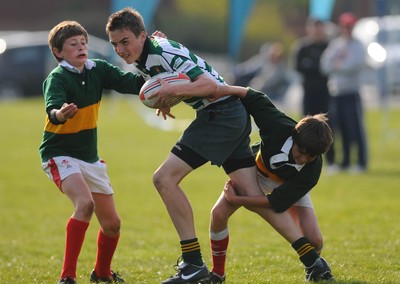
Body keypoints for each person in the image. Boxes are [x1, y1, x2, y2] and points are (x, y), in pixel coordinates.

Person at [105, 8, 257, 284]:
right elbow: (174, 68)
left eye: (125, 41)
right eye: (115, 44)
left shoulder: (159, 51)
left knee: (164, 179)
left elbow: (208, 84)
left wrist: (173, 91)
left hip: (220, 113)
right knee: (252, 194)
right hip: (226, 114)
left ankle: (192, 263)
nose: (120, 50)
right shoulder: (146, 53)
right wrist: (168, 96)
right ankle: (311, 257)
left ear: (142, 35)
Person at [39, 20, 147, 284]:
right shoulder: (57, 78)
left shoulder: (98, 70)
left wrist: (153, 54)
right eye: (73, 44)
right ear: (58, 52)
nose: (81, 47)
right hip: (59, 153)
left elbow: (134, 84)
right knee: (84, 204)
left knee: (112, 225)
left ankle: (101, 274)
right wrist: (60, 114)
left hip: (89, 157)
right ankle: (67, 277)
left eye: (83, 42)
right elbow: (52, 107)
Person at [207, 86, 335, 283]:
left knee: (315, 240)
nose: (303, 158)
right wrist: (220, 89)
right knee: (218, 214)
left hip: (286, 185)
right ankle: (217, 273)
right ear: (294, 135)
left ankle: (313, 269)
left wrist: (238, 198)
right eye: (301, 151)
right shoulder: (278, 125)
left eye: (310, 156)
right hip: (255, 170)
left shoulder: (312, 169)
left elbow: (276, 202)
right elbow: (253, 96)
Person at [320, 12, 368, 173]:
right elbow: (324, 65)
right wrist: (339, 65)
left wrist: (337, 65)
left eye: (350, 26)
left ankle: (361, 162)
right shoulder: (335, 44)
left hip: (351, 92)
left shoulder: (358, 45)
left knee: (355, 128)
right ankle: (345, 161)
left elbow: (352, 66)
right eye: (344, 26)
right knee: (338, 129)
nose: (347, 29)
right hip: (336, 92)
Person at [292, 17, 336, 172]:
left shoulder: (329, 46)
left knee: (328, 126)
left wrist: (313, 66)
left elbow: (329, 68)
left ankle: (331, 161)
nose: (318, 31)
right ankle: (304, 158)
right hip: (308, 92)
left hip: (325, 92)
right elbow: (299, 66)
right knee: (306, 126)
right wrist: (315, 66)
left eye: (320, 28)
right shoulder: (302, 47)